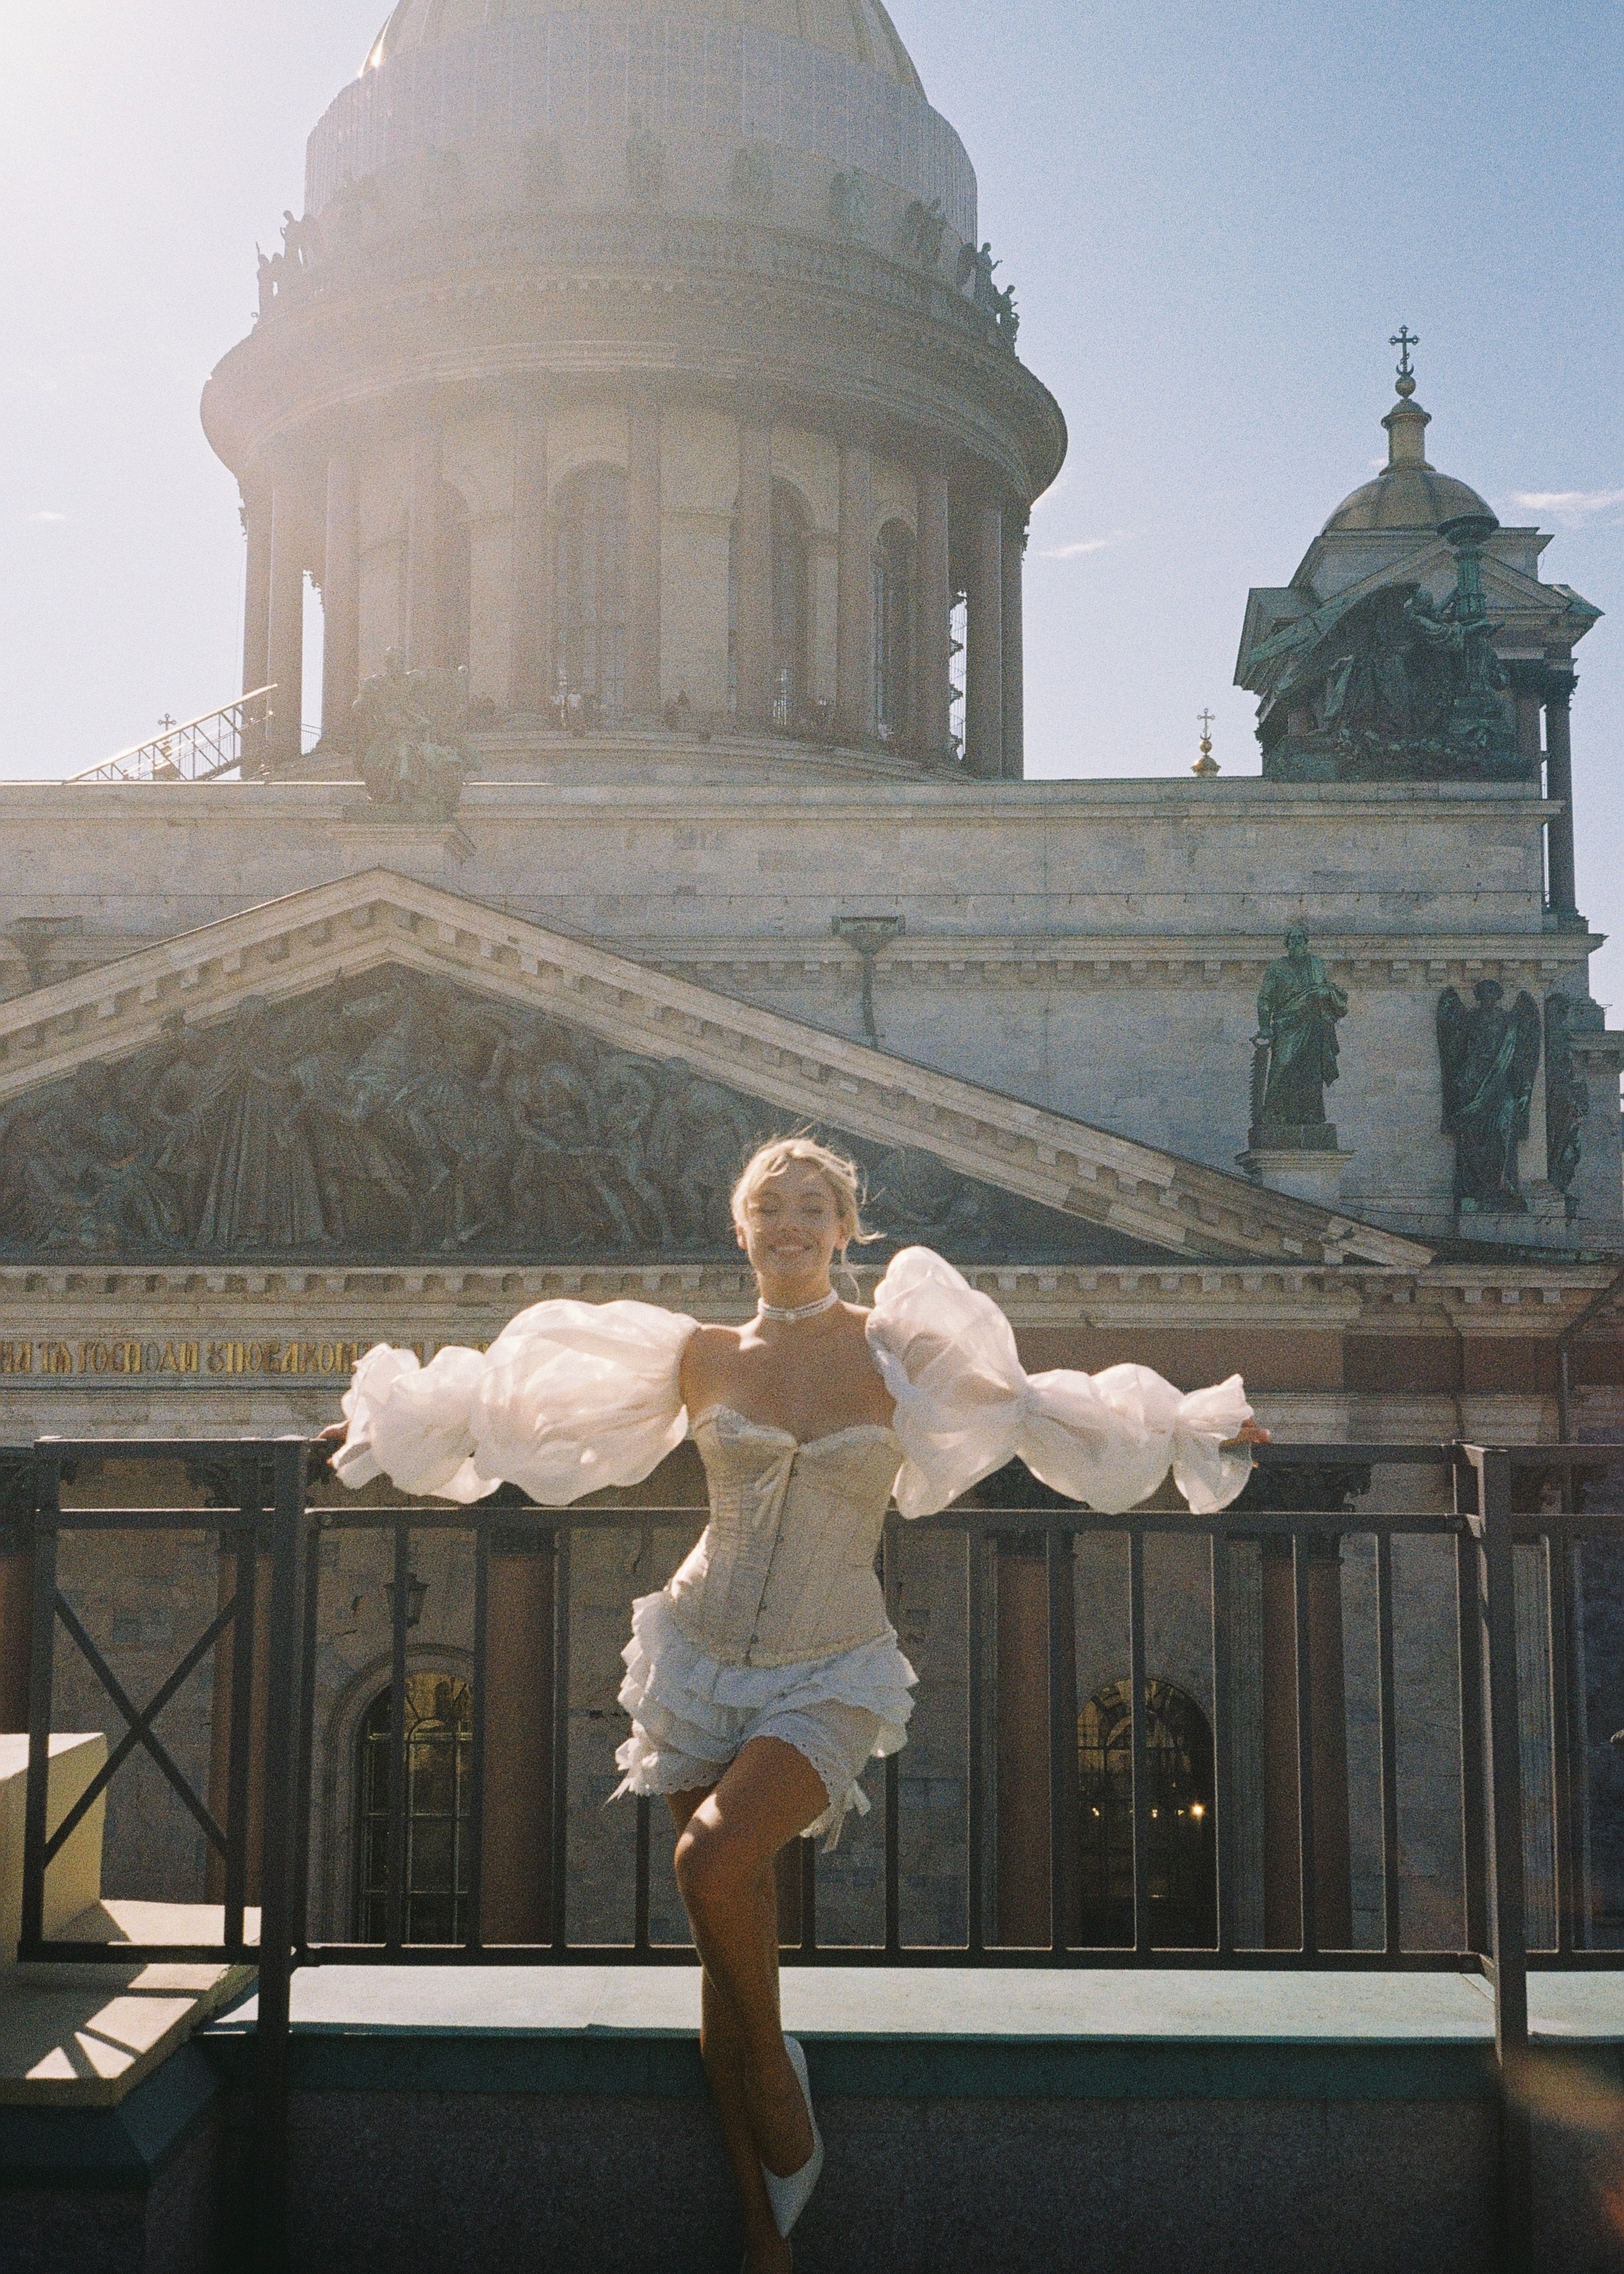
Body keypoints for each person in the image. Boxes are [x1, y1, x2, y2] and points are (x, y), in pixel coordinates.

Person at [326, 1137, 1267, 2271]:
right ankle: (759, 2221)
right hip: (695, 1653)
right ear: (741, 1227)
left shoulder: (898, 1353)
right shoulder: (700, 1355)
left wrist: (1188, 1429)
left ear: (845, 1229)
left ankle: (782, 2088)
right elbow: (522, 1405)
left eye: (811, 1208)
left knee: (712, 1867)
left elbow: (1044, 1412)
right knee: (728, 1966)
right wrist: (385, 1428)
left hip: (830, 1665)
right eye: (770, 1207)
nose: (789, 1223)